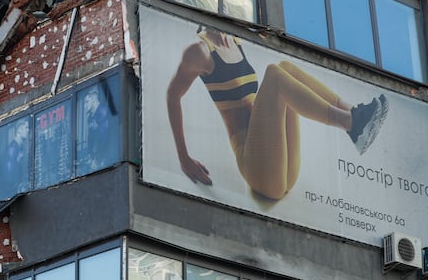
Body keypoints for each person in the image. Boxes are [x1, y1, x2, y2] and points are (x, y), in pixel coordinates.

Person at [166, 26, 389, 200]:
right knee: (273, 74)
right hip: (256, 167)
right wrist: (183, 158)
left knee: (284, 67)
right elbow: (173, 94)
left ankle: (353, 114)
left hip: (282, 170)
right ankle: (350, 123)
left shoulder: (235, 41)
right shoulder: (199, 51)